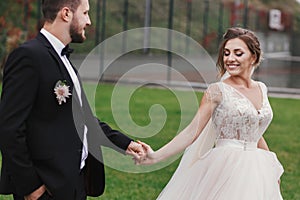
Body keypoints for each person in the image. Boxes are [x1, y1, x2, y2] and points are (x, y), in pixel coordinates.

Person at [0, 0, 145, 199]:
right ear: (66, 13)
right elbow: (9, 128)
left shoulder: (64, 61)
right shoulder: (28, 57)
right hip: (47, 188)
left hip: (75, 183)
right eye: (85, 13)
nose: (89, 21)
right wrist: (32, 188)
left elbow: (82, 119)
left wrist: (125, 144)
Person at [136, 27, 284, 199]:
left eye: (238, 53)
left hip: (256, 168)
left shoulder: (261, 88)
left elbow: (254, 131)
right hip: (226, 166)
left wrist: (270, 167)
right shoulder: (217, 91)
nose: (230, 59)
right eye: (226, 53)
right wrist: (155, 156)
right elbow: (192, 131)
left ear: (253, 56)